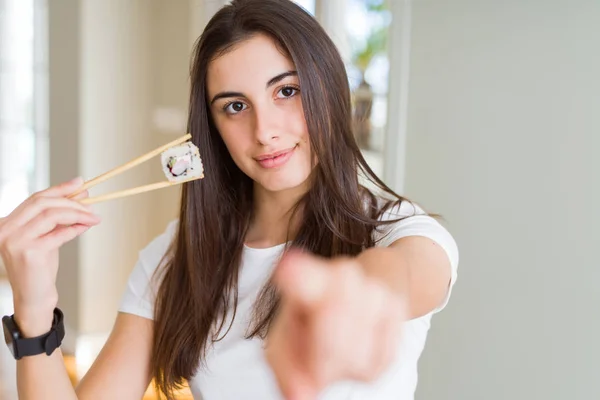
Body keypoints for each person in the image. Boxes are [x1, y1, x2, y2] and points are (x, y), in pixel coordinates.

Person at [0, 0, 458, 399]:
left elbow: (400, 277)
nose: (265, 131)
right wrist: (34, 306)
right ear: (212, 128)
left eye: (287, 91)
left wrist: (359, 294)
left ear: (328, 89)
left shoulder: (397, 231)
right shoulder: (175, 255)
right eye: (235, 106)